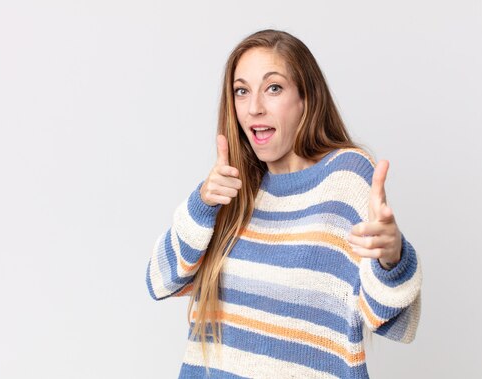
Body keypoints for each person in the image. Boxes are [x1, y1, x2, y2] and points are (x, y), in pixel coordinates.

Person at [146, 29, 422, 378]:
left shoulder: (345, 179)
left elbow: (397, 322)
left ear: (306, 97)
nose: (254, 107)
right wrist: (202, 204)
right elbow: (159, 281)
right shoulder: (234, 188)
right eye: (241, 91)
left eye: (273, 88)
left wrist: (391, 257)